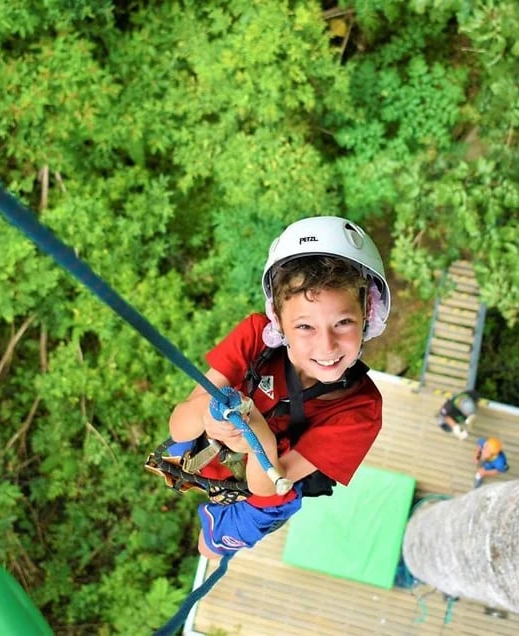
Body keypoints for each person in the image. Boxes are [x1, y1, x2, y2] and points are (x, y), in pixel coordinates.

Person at [166, 216, 390, 560]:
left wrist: (256, 429)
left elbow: (267, 486)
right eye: (305, 326)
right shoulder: (256, 337)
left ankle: (217, 522)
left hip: (269, 480)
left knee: (209, 550)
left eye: (343, 322)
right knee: (183, 443)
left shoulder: (361, 409)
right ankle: (208, 474)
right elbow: (179, 423)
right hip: (213, 445)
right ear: (279, 323)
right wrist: (208, 415)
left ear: (368, 316)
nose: (327, 345)